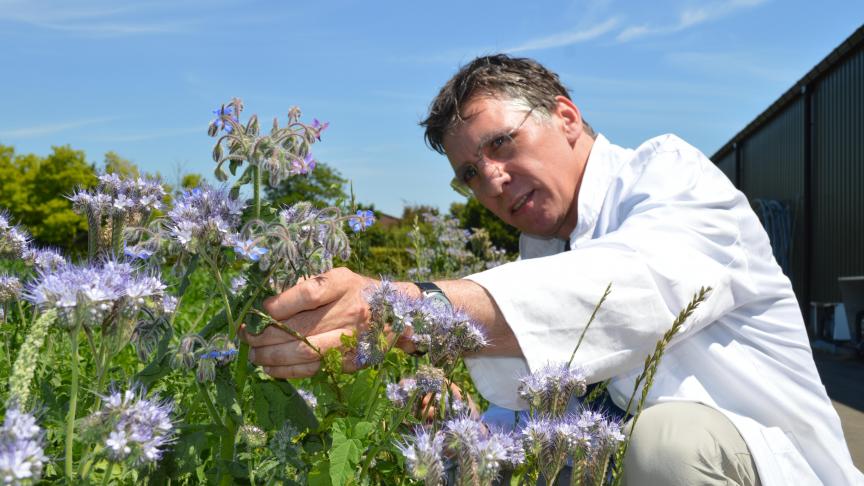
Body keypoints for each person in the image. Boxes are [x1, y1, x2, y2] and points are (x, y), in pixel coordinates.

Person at [242, 55, 863, 485]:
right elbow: (559, 399)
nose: (491, 181)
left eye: (501, 145)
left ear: (565, 116)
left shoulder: (668, 177)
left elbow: (628, 292)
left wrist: (406, 303)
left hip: (761, 464)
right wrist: (466, 415)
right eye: (469, 175)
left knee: (669, 444)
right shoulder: (543, 251)